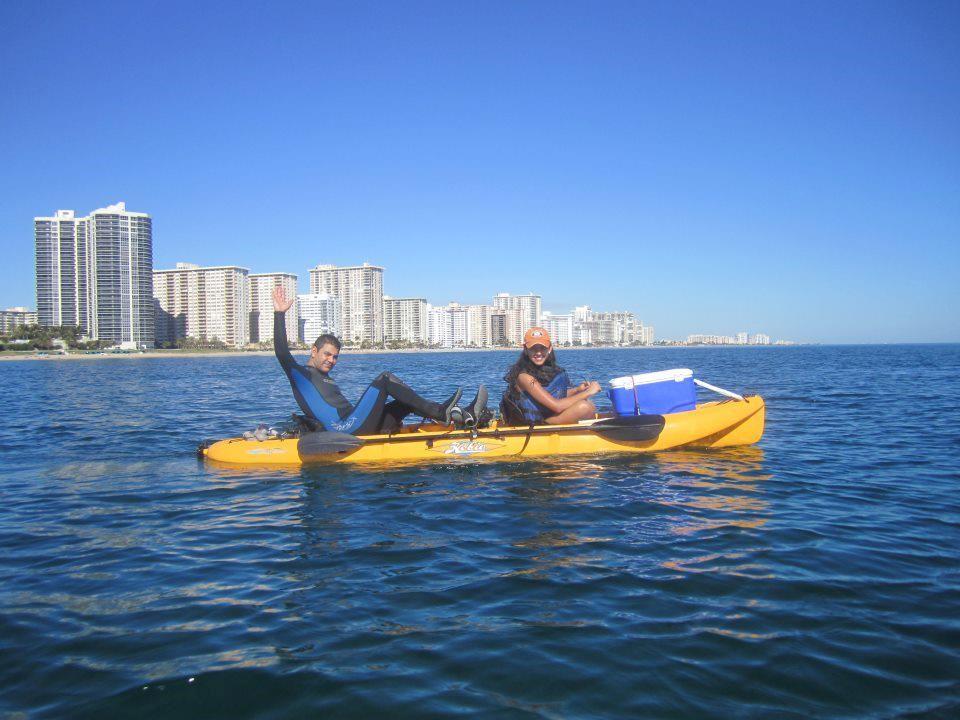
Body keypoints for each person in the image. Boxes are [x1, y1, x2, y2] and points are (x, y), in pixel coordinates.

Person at [272, 287, 487, 435]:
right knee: (384, 379)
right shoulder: (301, 375)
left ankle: (460, 416)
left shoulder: (324, 378)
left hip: (359, 424)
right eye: (327, 354)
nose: (332, 360)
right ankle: (441, 412)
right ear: (313, 351)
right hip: (346, 428)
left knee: (404, 402)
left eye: (335, 356)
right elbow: (282, 352)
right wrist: (279, 314)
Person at [500, 327, 601, 425]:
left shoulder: (548, 370)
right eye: (533, 348)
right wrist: (589, 392)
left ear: (549, 349)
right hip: (537, 424)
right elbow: (557, 406)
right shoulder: (524, 377)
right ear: (525, 350)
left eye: (542, 348)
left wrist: (577, 390)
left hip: (547, 416)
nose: (538, 352)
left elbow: (551, 395)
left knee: (588, 404)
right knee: (584, 407)